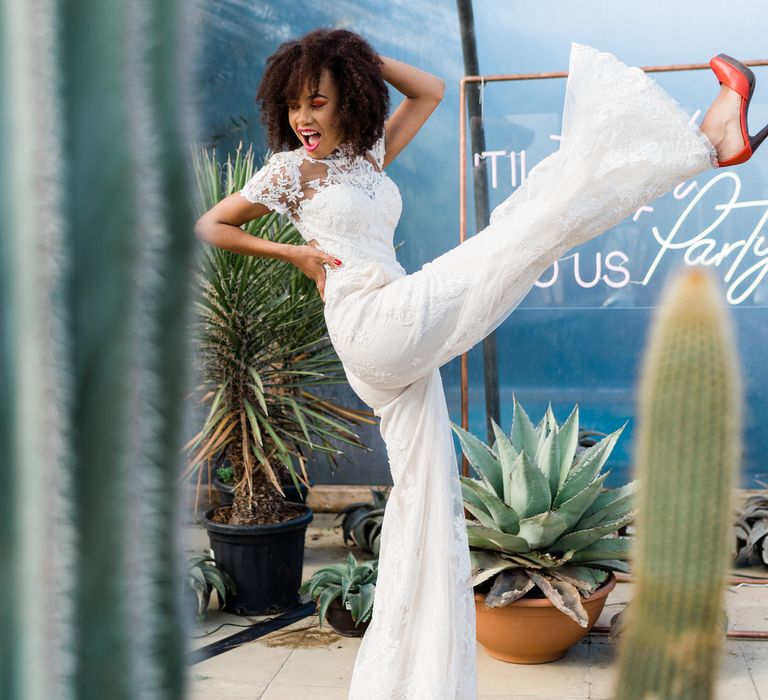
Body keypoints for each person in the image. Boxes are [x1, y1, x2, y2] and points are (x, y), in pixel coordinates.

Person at [194, 28, 766, 700]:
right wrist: (299, 255)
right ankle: (704, 143)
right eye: (293, 105)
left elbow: (429, 90)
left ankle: (413, 679)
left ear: (346, 97)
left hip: (400, 335)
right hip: (375, 325)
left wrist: (352, 58)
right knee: (520, 235)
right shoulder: (293, 171)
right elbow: (213, 224)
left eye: (316, 101)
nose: (302, 119)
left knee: (427, 503)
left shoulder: (367, 157)